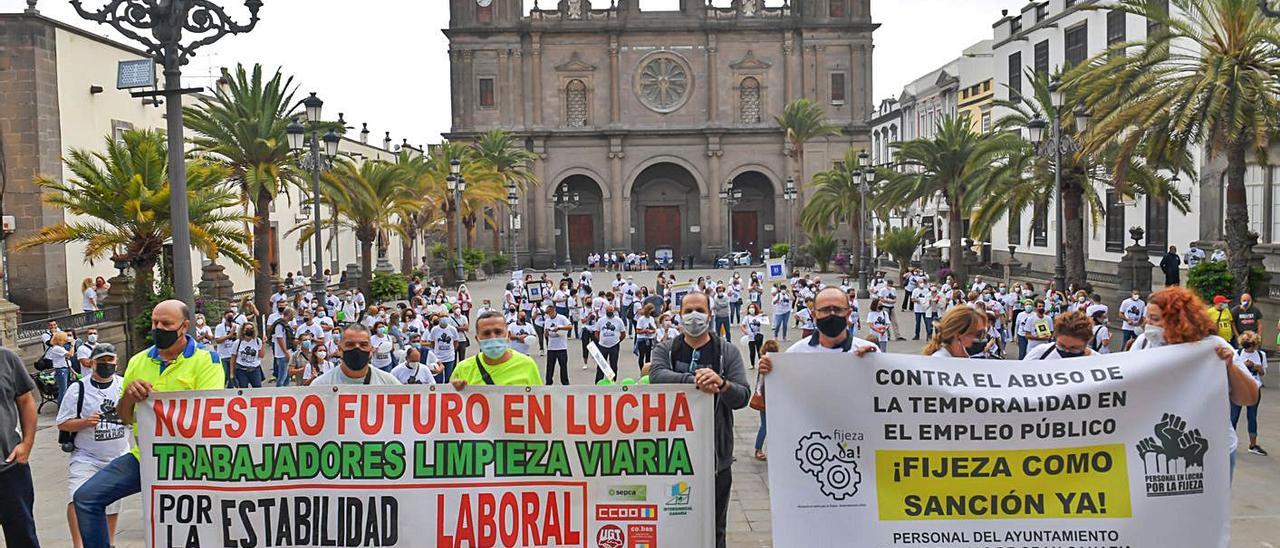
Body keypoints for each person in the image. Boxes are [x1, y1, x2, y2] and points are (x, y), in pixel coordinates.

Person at [74, 300, 225, 546]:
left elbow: (207, 414)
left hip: (190, 461)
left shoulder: (208, 361)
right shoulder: (138, 361)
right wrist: (129, 397)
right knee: (86, 497)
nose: (158, 328)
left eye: (166, 324)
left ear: (184, 326)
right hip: (145, 456)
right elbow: (124, 417)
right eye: (155, 322)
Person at [649, 291, 750, 548]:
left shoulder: (727, 352)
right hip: (673, 457)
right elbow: (657, 376)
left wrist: (722, 383)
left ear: (710, 314)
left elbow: (742, 396)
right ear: (679, 317)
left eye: (700, 310)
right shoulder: (666, 349)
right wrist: (695, 380)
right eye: (688, 311)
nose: (695, 316)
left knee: (715, 527)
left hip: (716, 459)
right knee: (672, 524)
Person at [1129, 286, 1260, 478]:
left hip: (1213, 449)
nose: (1147, 323)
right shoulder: (1143, 343)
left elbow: (1248, 398)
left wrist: (1230, 367)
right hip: (1160, 446)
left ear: (1177, 320)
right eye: (1147, 317)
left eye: (1154, 319)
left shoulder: (1214, 348)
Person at [57, 343, 128, 548]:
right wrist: (85, 422)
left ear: (116, 362)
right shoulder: (78, 388)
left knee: (112, 503)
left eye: (110, 360)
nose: (106, 364)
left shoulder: (124, 385)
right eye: (101, 361)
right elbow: (62, 422)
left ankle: (109, 542)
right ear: (92, 362)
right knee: (77, 496)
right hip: (86, 456)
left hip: (118, 456)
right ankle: (78, 544)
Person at [0, 343, 38, 547]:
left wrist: (27, 443)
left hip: (9, 465)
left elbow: (25, 400)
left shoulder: (6, 358)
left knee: (22, 535)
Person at [449, 311, 543, 388]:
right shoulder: (463, 369)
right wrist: (454, 393)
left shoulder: (527, 365)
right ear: (477, 339)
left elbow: (540, 403)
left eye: (498, 332)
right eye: (486, 333)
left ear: (508, 335)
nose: (493, 337)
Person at [311, 323, 401, 385]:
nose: (357, 349)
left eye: (363, 345)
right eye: (350, 345)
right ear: (340, 350)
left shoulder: (389, 384)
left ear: (371, 350)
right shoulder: (320, 385)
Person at [1232, 331, 1267, 456]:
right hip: (1238, 388)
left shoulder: (1261, 355)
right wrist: (1242, 365)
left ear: (1254, 343)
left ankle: (1253, 445)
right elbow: (1231, 370)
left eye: (1248, 341)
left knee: (1252, 417)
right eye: (1244, 340)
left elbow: (1263, 373)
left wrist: (1257, 367)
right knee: (1233, 417)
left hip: (1254, 389)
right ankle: (1229, 444)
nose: (1245, 343)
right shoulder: (1237, 353)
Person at [923, 305, 991, 358]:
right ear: (958, 336)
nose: (982, 339)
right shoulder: (939, 362)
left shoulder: (961, 357)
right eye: (978, 334)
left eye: (984, 333)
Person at [1024, 311, 1096, 360]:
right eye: (1062, 346)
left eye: (1074, 348)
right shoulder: (1040, 353)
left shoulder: (1098, 362)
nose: (1067, 351)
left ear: (1087, 342)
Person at [752, 339, 780, 462]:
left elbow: (759, 383)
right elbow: (761, 381)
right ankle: (758, 449)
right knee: (766, 425)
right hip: (769, 397)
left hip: (768, 397)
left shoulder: (763, 361)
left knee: (766, 425)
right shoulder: (769, 363)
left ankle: (759, 449)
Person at [592, 305, 627, 382]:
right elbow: (596, 332)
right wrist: (601, 340)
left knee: (613, 365)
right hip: (602, 346)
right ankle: (598, 382)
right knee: (601, 365)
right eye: (607, 311)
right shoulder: (601, 320)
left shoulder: (618, 320)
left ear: (613, 311)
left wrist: (617, 341)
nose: (609, 312)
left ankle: (613, 381)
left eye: (611, 310)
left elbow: (623, 334)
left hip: (614, 345)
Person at [541, 306, 573, 385]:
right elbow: (545, 332)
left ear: (553, 310)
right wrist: (546, 332)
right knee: (549, 367)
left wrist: (559, 328)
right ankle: (548, 382)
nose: (549, 314)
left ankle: (565, 382)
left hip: (561, 347)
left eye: (549, 312)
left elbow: (570, 326)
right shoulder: (547, 320)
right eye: (547, 313)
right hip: (551, 347)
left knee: (563, 366)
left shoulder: (561, 318)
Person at [229, 322, 266, 388]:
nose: (249, 330)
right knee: (243, 388)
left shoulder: (257, 341)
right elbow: (233, 358)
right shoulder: (237, 342)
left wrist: (263, 343)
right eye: (247, 328)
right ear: (243, 330)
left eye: (251, 328)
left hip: (254, 369)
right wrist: (232, 373)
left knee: (257, 388)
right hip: (241, 369)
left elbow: (261, 356)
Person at [46, 330, 74, 405]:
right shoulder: (57, 348)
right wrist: (72, 345)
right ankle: (61, 407)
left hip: (65, 369)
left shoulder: (60, 348)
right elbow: (70, 354)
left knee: (66, 389)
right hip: (61, 370)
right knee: (63, 391)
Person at [741, 302, 767, 368]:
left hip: (758, 335)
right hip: (750, 336)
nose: (751, 309)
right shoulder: (747, 317)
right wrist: (745, 331)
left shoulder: (759, 316)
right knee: (752, 351)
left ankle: (761, 364)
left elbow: (765, 318)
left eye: (753, 307)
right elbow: (742, 325)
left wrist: (763, 315)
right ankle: (752, 365)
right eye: (750, 307)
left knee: (759, 350)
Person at [634, 304, 657, 372]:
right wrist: (645, 331)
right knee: (642, 355)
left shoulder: (651, 319)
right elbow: (637, 331)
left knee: (648, 355)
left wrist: (652, 331)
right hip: (642, 339)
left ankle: (647, 371)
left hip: (649, 339)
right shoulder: (641, 319)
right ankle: (641, 370)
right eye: (651, 310)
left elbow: (654, 329)